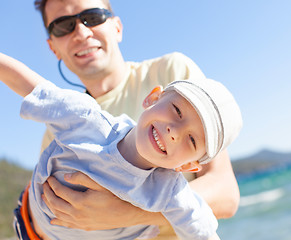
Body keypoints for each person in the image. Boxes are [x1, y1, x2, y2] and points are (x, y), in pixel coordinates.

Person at [32, 0, 241, 238]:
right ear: (53, 48)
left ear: (117, 27)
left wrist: (128, 212)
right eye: (63, 25)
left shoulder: (171, 74)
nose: (81, 31)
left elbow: (226, 195)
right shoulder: (57, 128)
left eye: (93, 16)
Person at [0, 52, 242, 239]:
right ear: (153, 97)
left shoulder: (170, 192)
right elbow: (28, 84)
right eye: (177, 110)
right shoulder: (87, 120)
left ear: (188, 166)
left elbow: (204, 231)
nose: (174, 132)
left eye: (191, 140)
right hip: (28, 224)